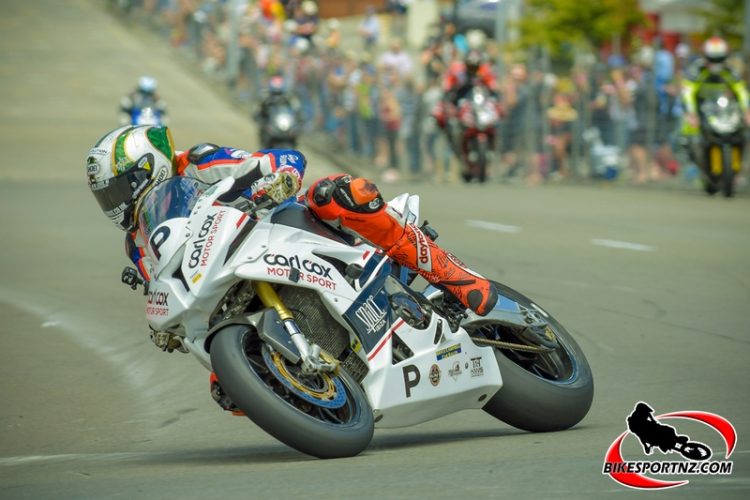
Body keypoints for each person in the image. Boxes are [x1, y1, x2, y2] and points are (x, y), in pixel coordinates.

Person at [86, 124, 498, 319]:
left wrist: (275, 180)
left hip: (276, 227)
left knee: (339, 194)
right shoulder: (136, 242)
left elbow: (277, 160)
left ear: (146, 167)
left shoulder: (197, 162)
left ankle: (454, 275)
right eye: (107, 196)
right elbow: (164, 287)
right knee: (227, 392)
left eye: (119, 189)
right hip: (229, 282)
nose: (116, 202)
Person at [681, 36, 750, 136]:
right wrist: (691, 112)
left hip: (723, 111)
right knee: (690, 130)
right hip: (701, 110)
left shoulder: (728, 70)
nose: (715, 63)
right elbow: (687, 92)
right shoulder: (697, 70)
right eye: (712, 59)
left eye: (719, 59)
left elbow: (741, 90)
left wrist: (747, 110)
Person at [254, 74, 302, 148]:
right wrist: (259, 115)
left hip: (284, 124)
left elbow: (297, 107)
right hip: (270, 124)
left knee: (295, 134)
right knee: (264, 133)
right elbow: (258, 108)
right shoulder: (265, 96)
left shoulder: (288, 96)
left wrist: (300, 116)